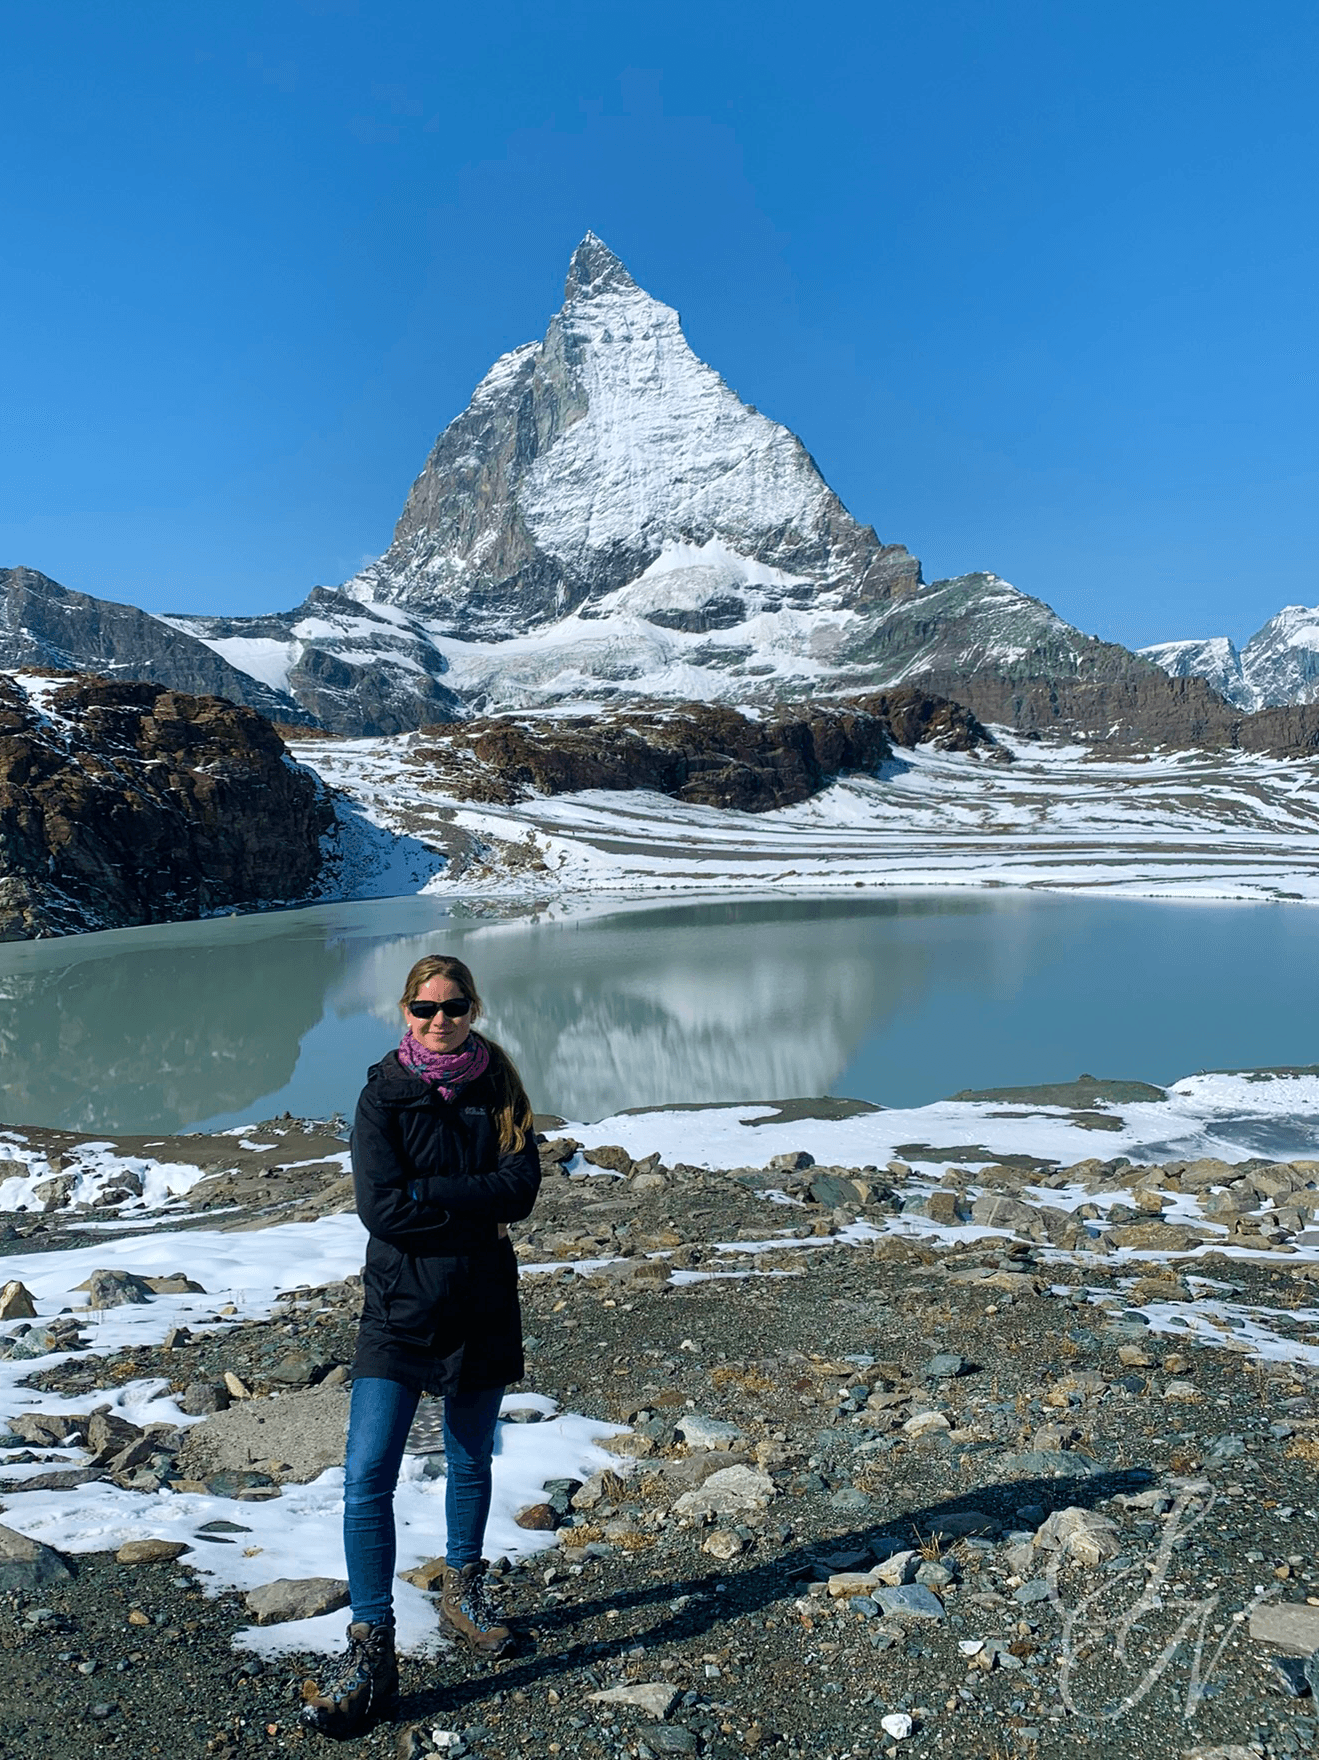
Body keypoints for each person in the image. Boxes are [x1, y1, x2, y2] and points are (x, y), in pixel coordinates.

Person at [301, 954, 542, 1738]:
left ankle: (463, 1588)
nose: (440, 1020)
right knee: (367, 1473)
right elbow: (380, 1212)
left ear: (474, 1008)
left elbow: (522, 1193)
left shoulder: (499, 1086)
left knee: (472, 1459)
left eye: (455, 1006)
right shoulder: (382, 1094)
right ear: (403, 1011)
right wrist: (469, 1210)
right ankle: (371, 1645)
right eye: (424, 1007)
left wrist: (428, 1194)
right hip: (398, 1312)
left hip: (479, 1305)